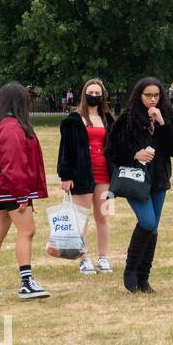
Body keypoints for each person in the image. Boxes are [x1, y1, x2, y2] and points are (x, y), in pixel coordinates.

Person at [104, 76, 173, 293]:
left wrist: (162, 124)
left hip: (158, 179)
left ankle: (143, 277)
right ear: (139, 95)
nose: (152, 99)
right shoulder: (127, 119)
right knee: (147, 223)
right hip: (135, 181)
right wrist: (134, 154)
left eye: (156, 95)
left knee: (153, 229)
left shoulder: (166, 116)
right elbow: (111, 151)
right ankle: (130, 270)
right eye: (148, 95)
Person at [0, 82, 50, 300]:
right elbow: (14, 164)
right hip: (11, 189)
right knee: (27, 231)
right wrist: (22, 194)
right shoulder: (11, 127)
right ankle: (26, 282)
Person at [57, 78, 115, 275]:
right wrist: (65, 175)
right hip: (81, 175)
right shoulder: (73, 120)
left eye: (98, 94)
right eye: (91, 92)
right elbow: (65, 150)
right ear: (84, 94)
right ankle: (83, 259)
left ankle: (104, 258)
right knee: (81, 218)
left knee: (104, 216)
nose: (94, 96)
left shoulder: (108, 119)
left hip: (106, 175)